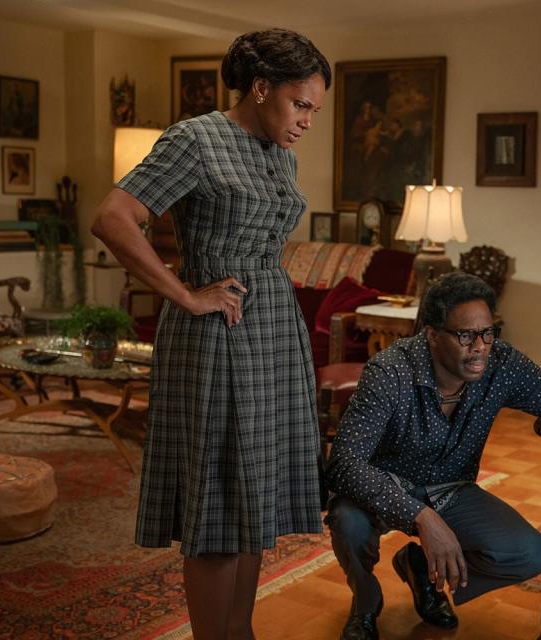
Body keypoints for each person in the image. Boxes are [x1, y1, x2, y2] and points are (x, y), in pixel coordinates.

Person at [90, 29, 330, 640]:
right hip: (218, 333)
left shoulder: (282, 153)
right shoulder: (195, 140)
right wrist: (184, 293)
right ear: (260, 87)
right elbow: (113, 218)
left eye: (314, 111)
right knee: (221, 495)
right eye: (300, 104)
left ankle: (239, 631)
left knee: (257, 492)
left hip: (275, 328)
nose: (307, 121)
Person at [324, 272, 541, 640]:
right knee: (348, 522)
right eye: (465, 335)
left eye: (488, 332)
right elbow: (344, 464)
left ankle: (421, 569)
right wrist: (421, 517)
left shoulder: (499, 364)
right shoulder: (389, 371)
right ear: (431, 335)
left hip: (451, 488)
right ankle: (365, 603)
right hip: (384, 485)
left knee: (530, 555)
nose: (480, 346)